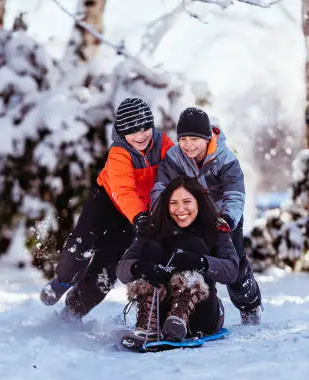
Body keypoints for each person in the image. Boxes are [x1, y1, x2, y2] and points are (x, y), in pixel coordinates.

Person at [39, 97, 174, 321]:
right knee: (81, 246)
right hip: (108, 203)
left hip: (136, 216)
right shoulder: (119, 152)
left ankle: (72, 312)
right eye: (133, 131)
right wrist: (139, 216)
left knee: (106, 271)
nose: (140, 136)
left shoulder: (163, 144)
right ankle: (62, 281)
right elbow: (124, 190)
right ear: (122, 133)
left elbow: (178, 174)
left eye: (145, 128)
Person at [150, 107, 262, 324]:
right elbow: (161, 188)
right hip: (191, 217)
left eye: (194, 139)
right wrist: (159, 213)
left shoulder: (225, 159)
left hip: (224, 218)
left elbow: (235, 193)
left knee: (234, 264)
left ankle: (249, 304)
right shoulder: (174, 158)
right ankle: (202, 308)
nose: (188, 145)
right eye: (183, 139)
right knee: (189, 257)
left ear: (207, 137)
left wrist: (228, 219)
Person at [116, 176, 239, 348]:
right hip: (159, 313)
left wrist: (201, 262)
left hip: (201, 313)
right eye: (174, 203)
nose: (180, 209)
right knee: (151, 248)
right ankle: (148, 326)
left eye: (187, 201)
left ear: (198, 203)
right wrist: (138, 268)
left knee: (193, 244)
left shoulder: (214, 228)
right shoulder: (154, 228)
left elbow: (232, 271)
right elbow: (121, 269)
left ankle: (180, 316)